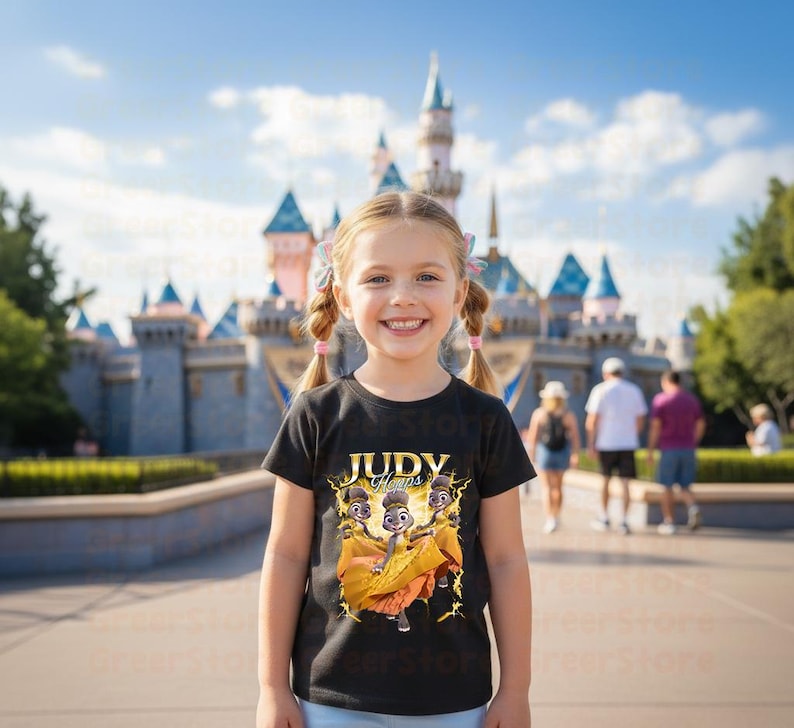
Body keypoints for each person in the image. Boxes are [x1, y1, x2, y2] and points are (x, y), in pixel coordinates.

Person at [257, 191, 535, 728]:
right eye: (378, 278)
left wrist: (516, 690)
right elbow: (287, 556)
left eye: (427, 277)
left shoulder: (485, 421)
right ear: (342, 296)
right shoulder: (316, 416)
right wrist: (271, 687)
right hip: (329, 698)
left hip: (456, 701)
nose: (403, 297)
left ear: (460, 295)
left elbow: (506, 561)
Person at [585, 357, 647, 535]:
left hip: (606, 443)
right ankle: (625, 520)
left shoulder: (600, 390)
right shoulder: (634, 390)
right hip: (628, 443)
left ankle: (604, 517)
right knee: (626, 483)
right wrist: (632, 434)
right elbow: (640, 419)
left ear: (606, 373)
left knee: (605, 481)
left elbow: (592, 420)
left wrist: (591, 443)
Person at [646, 370, 704, 535]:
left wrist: (650, 450)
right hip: (688, 448)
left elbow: (655, 427)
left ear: (665, 382)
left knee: (666, 487)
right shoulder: (691, 400)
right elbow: (700, 424)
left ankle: (669, 521)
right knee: (685, 486)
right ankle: (692, 507)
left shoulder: (661, 400)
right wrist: (694, 441)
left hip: (669, 448)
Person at [524, 380, 580, 533]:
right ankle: (556, 515)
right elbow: (574, 436)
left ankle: (550, 518)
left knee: (547, 487)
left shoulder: (540, 413)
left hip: (545, 451)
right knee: (558, 487)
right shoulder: (568, 414)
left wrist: (531, 455)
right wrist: (575, 454)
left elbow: (533, 437)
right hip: (562, 451)